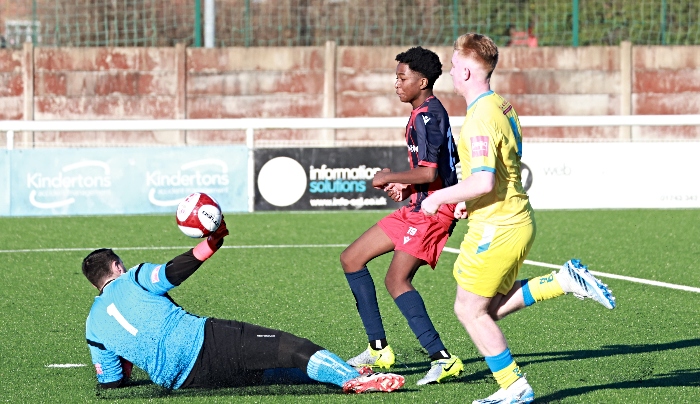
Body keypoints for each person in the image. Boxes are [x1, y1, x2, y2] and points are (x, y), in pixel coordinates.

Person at [420, 33, 616, 404]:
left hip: (499, 225)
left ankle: (513, 386)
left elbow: (484, 179)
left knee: (468, 309)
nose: (448, 70)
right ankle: (562, 281)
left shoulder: (479, 117)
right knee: (487, 309)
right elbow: (503, 170)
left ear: (464, 70)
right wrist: (470, 203)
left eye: (451, 63)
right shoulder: (502, 106)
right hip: (513, 218)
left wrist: (440, 199)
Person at [82, 218, 404, 394]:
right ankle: (355, 380)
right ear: (116, 266)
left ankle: (342, 372)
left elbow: (111, 380)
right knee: (291, 348)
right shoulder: (132, 279)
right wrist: (211, 243)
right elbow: (172, 272)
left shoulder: (93, 326)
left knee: (272, 372)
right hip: (204, 342)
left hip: (185, 381)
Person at [340, 46, 464, 386]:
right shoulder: (421, 113)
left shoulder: (427, 117)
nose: (396, 83)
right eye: (396, 76)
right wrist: (405, 189)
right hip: (418, 204)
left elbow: (429, 173)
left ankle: (443, 358)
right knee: (352, 258)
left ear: (422, 81)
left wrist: (389, 176)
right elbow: (429, 175)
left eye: (402, 77)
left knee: (396, 280)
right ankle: (378, 349)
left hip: (436, 209)